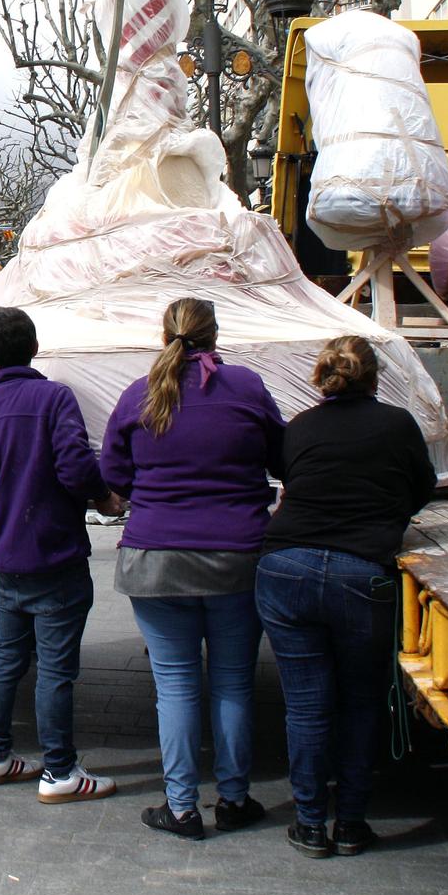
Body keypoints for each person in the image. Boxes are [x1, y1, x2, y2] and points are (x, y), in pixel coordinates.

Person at [101, 298, 283, 841]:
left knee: (175, 684)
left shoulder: (139, 394)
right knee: (232, 683)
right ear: (215, 334)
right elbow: (281, 456)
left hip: (155, 557)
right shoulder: (246, 387)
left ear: (165, 336)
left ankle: (181, 808)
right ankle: (233, 798)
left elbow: (113, 471)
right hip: (238, 556)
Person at [256, 337, 436, 860]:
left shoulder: (302, 426)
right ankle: (352, 823)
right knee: (361, 702)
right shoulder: (398, 425)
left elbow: (292, 479)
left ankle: (310, 822)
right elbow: (424, 487)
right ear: (375, 376)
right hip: (363, 571)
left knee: (307, 706)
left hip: (286, 564)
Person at [0, 305, 123, 802]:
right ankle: (60, 771)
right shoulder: (53, 399)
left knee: (7, 658)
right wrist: (104, 497)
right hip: (55, 557)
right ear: (35, 348)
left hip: (2, 560)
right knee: (56, 669)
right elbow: (74, 464)